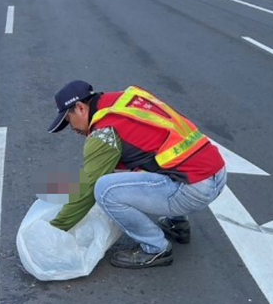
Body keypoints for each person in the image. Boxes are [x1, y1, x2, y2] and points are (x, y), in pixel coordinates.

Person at [47, 81, 227, 269]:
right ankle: (177, 224)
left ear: (81, 108)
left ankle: (155, 248)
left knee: (104, 189)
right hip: (217, 173)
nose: (72, 129)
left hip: (193, 189)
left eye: (68, 120)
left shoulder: (103, 133)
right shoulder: (124, 101)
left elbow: (87, 188)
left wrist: (56, 229)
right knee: (135, 162)